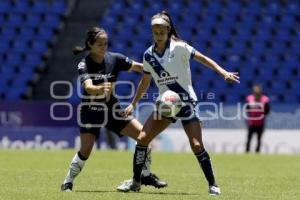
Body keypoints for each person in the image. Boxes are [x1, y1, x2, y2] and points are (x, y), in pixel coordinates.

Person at [116, 11, 240, 195]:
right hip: (165, 105)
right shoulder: (148, 55)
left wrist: (223, 73)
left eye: (161, 31)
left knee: (197, 145)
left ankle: (213, 184)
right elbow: (145, 81)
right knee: (142, 139)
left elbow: (203, 59)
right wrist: (133, 104)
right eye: (155, 31)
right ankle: (136, 182)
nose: (158, 34)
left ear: (168, 30)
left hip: (186, 103)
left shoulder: (180, 47)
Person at [61, 27, 167, 191]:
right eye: (99, 44)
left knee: (144, 137)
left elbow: (139, 67)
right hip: (91, 111)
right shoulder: (84, 64)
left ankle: (145, 176)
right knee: (86, 150)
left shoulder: (115, 59)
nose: (104, 47)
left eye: (106, 44)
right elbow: (88, 87)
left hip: (112, 110)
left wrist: (158, 70)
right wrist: (99, 89)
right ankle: (68, 181)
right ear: (90, 45)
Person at [245, 84, 270, 153]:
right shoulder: (249, 98)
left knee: (259, 139)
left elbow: (267, 111)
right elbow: (247, 109)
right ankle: (247, 151)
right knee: (249, 139)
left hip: (260, 123)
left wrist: (261, 115)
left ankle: (257, 152)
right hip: (251, 123)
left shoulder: (265, 100)